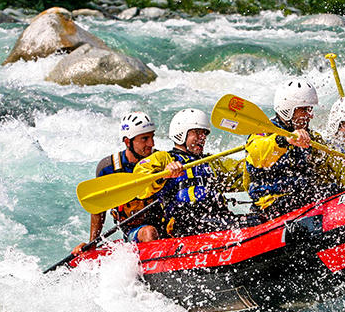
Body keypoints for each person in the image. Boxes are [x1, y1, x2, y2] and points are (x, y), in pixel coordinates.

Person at [244, 79, 345, 217]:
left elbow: (336, 167)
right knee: (326, 192)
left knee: (333, 188)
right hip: (272, 204)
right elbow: (257, 154)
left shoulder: (311, 138)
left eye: (310, 109)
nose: (310, 115)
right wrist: (284, 140)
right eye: (304, 110)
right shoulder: (264, 132)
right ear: (287, 110)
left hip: (301, 198)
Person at [133, 109, 254, 238]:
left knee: (256, 219)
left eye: (204, 134)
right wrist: (163, 175)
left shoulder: (211, 162)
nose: (202, 138)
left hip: (218, 218)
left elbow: (244, 171)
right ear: (181, 133)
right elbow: (139, 181)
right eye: (196, 133)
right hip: (185, 224)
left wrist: (259, 155)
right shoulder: (164, 158)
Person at [73, 112, 166, 254]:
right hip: (136, 231)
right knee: (149, 232)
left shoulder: (161, 160)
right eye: (144, 139)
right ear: (128, 142)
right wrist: (93, 242)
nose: (151, 143)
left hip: (165, 225)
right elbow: (99, 208)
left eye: (152, 137)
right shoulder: (108, 168)